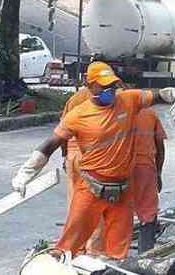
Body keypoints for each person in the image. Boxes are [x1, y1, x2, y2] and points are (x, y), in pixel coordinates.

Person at [11, 61, 175, 260]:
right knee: (68, 246)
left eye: (111, 85)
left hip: (122, 193)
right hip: (91, 191)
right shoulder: (78, 115)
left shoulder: (128, 100)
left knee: (117, 255)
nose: (109, 90)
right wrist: (25, 173)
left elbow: (158, 95)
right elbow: (49, 145)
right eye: (104, 86)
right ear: (90, 85)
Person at [59, 86, 106, 255]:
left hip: (73, 155)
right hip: (93, 155)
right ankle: (94, 251)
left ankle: (75, 248)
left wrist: (65, 156)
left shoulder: (76, 98)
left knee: (75, 204)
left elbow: (61, 130)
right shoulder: (107, 97)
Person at [132, 108, 166, 254]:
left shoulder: (109, 110)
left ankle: (113, 258)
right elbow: (160, 148)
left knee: (117, 213)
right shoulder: (149, 114)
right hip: (145, 168)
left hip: (118, 169)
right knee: (148, 214)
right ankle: (145, 255)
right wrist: (158, 173)